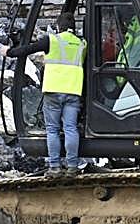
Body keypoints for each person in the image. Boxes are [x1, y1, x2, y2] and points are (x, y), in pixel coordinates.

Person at [6, 13, 86, 176]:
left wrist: (9, 52)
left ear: (58, 26)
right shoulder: (81, 44)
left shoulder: (53, 40)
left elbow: (28, 49)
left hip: (53, 90)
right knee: (70, 128)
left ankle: (55, 166)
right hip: (73, 91)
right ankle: (72, 166)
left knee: (52, 129)